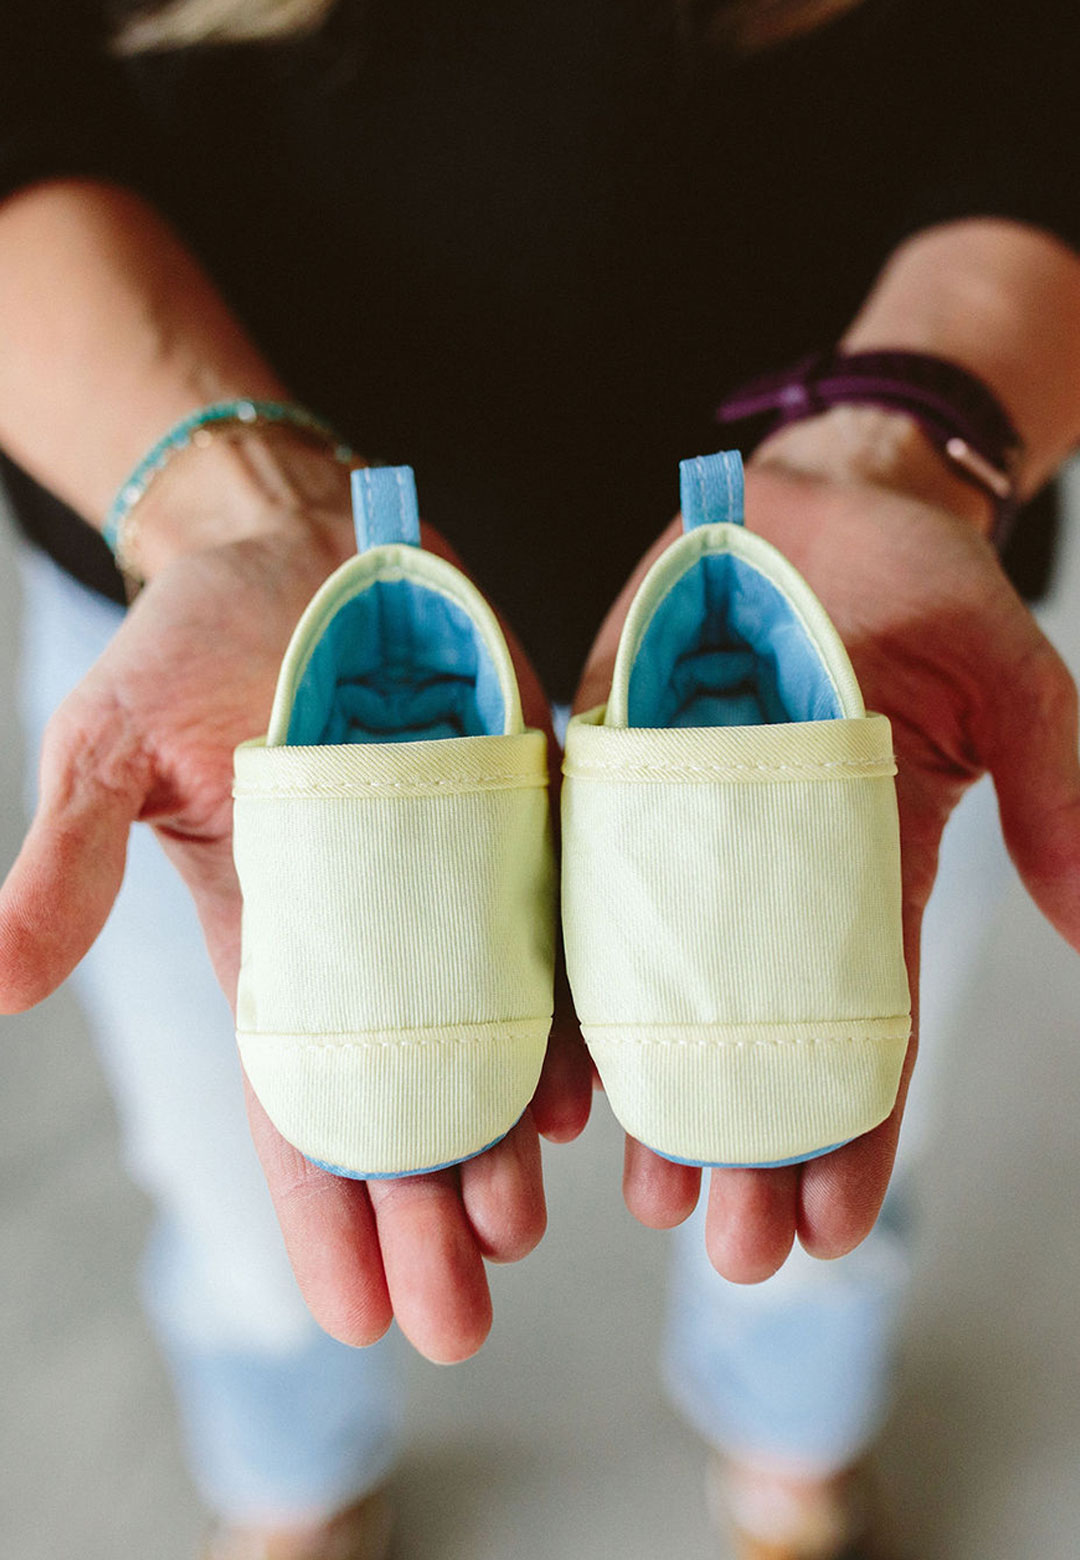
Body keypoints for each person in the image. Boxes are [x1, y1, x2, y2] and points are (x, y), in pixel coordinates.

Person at [1, 2, 1079, 1556]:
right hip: (190, 557)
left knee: (825, 1195)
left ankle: (792, 1446)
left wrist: (909, 445)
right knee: (251, 1216)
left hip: (885, 585)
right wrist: (225, 505)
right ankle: (288, 1481)